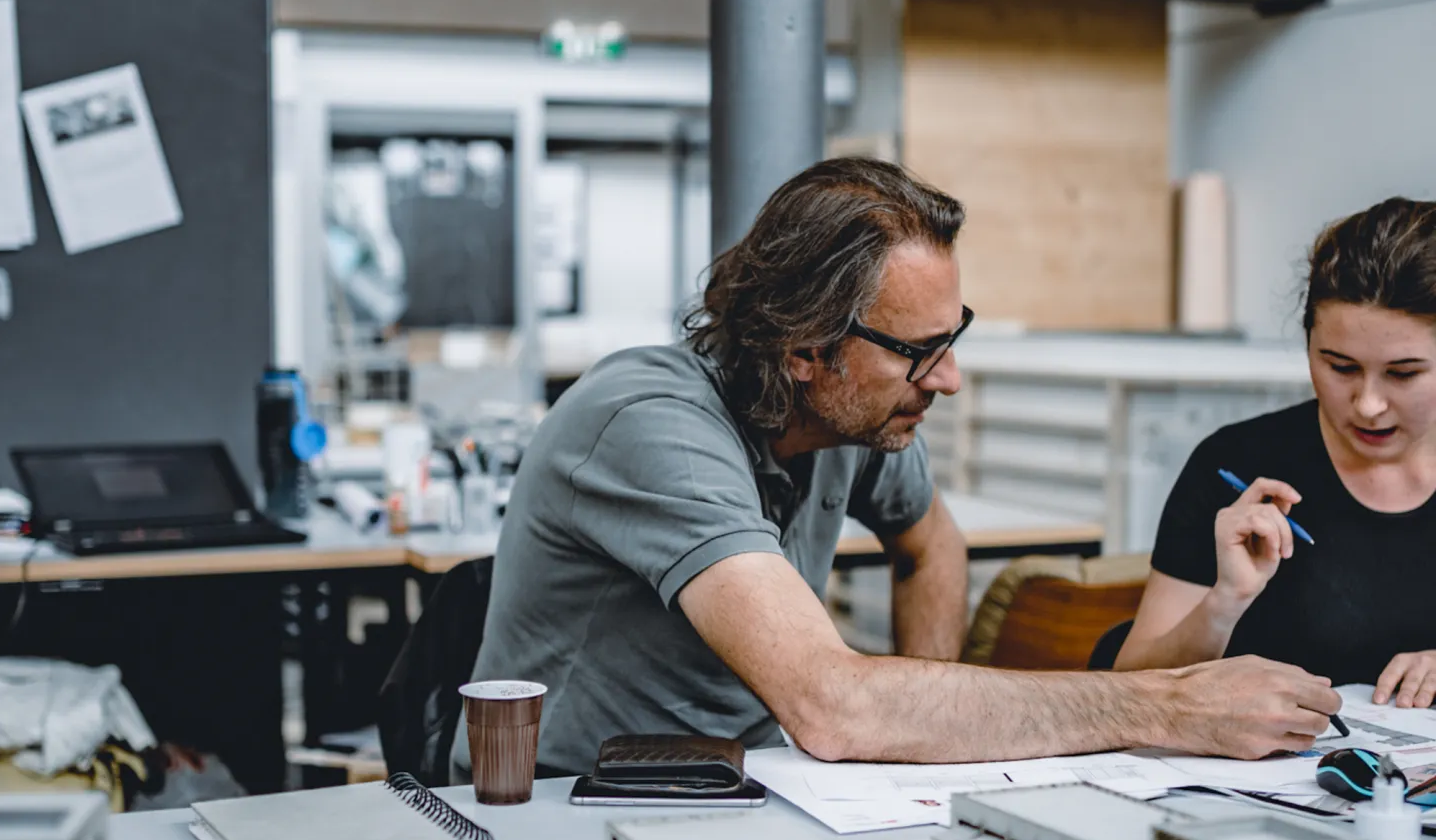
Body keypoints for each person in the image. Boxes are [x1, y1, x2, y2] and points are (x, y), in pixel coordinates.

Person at [455, 158, 1337, 781]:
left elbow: (932, 548)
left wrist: (915, 757)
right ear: (806, 348)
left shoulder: (860, 419)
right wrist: (1164, 706)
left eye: (952, 341)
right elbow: (836, 708)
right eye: (920, 352)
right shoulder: (649, 424)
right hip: (566, 806)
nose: (947, 379)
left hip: (751, 785)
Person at [1118, 197, 1436, 709]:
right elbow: (1126, 685)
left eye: (1403, 374)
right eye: (1340, 367)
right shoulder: (1238, 462)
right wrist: (1225, 602)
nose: (1369, 405)